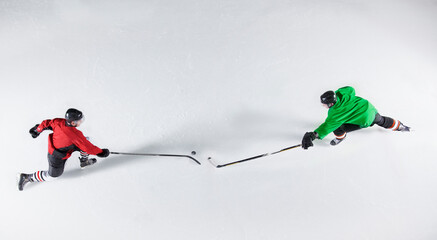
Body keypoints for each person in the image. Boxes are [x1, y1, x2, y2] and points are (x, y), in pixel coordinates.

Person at [18, 108, 110, 191]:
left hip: (68, 146)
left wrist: (37, 130)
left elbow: (47, 123)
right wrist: (101, 152)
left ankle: (84, 161)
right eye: (79, 120)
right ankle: (27, 177)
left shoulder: (59, 122)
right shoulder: (75, 135)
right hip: (56, 156)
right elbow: (88, 148)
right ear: (73, 123)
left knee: (85, 141)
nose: (81, 122)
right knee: (53, 176)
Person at [302, 86, 410, 149]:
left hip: (365, 120)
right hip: (369, 109)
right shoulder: (343, 94)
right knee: (381, 120)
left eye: (324, 104)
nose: (323, 105)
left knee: (338, 127)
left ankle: (341, 137)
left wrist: (313, 135)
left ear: (331, 104)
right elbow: (350, 89)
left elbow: (328, 126)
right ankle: (400, 126)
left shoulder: (336, 113)